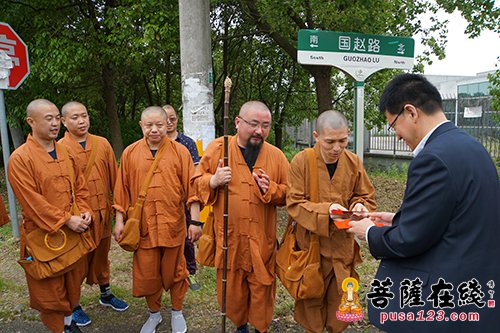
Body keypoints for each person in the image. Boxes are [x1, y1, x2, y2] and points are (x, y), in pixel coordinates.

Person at [348, 73, 500, 332]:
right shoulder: (473, 148)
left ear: (411, 112)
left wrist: (369, 232)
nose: (396, 136)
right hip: (476, 295)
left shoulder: (432, 159)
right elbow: (458, 215)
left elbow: (409, 240)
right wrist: (398, 219)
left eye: (393, 125)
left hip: (442, 303)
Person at [191, 100, 289, 333]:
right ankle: (240, 326)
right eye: (253, 124)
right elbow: (196, 182)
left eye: (265, 126)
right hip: (229, 240)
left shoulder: (276, 156)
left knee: (261, 290)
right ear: (237, 122)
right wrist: (213, 181)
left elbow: (291, 193)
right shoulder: (218, 149)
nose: (259, 131)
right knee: (232, 291)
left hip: (261, 241)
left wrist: (271, 189)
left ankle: (259, 328)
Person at [113, 106, 202, 333]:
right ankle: (153, 315)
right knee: (148, 274)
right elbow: (121, 190)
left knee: (176, 271)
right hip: (144, 228)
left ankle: (177, 312)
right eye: (149, 125)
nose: (154, 130)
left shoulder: (180, 152)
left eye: (159, 125)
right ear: (141, 126)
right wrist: (120, 220)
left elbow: (192, 188)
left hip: (172, 224)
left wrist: (195, 221)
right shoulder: (130, 153)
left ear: (168, 125)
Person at [286, 110, 376, 333]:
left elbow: (365, 196)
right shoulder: (302, 162)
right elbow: (295, 203)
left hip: (342, 249)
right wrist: (327, 211)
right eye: (330, 142)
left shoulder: (353, 161)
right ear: (316, 136)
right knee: (311, 305)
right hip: (312, 250)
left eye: (343, 141)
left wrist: (360, 205)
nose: (337, 148)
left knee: (341, 304)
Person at [7, 99, 92, 333]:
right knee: (51, 290)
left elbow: (80, 185)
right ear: (31, 122)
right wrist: (66, 219)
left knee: (73, 283)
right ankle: (59, 328)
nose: (55, 124)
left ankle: (68, 323)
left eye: (57, 118)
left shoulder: (66, 150)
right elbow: (32, 202)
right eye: (49, 119)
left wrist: (84, 210)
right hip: (45, 235)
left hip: (75, 231)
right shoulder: (20, 158)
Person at [59, 101, 128, 327]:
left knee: (102, 255)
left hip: (102, 213)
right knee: (77, 261)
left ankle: (105, 293)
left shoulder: (102, 144)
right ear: (64, 122)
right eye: (75, 117)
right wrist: (72, 216)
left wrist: (118, 212)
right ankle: (74, 305)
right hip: (79, 219)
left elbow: (115, 181)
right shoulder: (59, 148)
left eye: (84, 116)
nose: (81, 121)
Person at [163, 104, 201, 291]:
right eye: (166, 119)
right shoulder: (153, 143)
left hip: (184, 199)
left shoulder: (187, 143)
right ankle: (168, 273)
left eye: (173, 118)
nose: (169, 122)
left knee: (187, 238)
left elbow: (194, 173)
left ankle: (190, 272)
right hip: (162, 201)